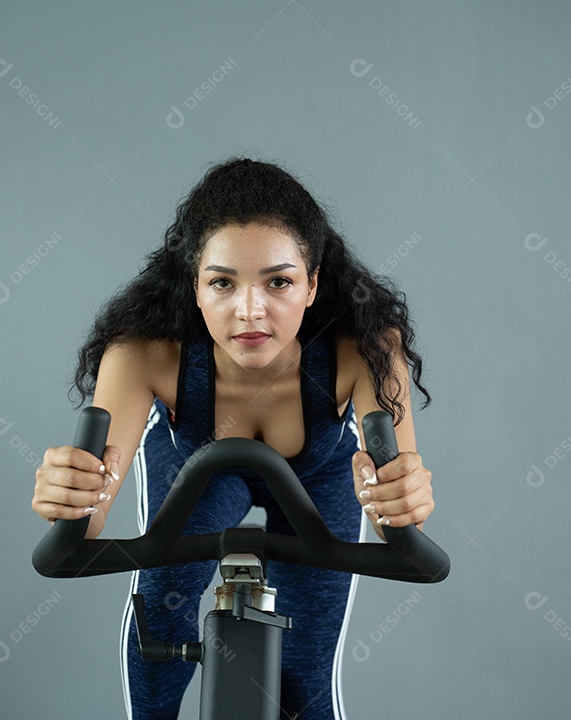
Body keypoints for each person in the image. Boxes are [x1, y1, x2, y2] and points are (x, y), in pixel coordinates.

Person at [31, 157, 434, 719]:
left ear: (312, 284)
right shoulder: (144, 352)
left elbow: (401, 515)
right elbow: (86, 523)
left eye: (279, 282)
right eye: (222, 282)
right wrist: (69, 498)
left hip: (316, 481)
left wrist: (405, 500)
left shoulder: (363, 348)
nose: (250, 311)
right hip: (196, 473)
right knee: (161, 621)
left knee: (307, 672)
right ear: (194, 287)